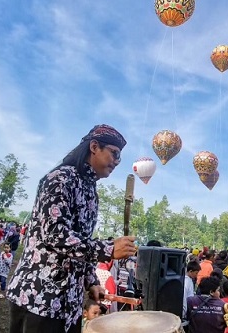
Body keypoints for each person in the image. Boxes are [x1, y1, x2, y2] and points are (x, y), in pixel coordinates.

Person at [7, 124, 137, 333]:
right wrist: (108, 249)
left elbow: (81, 240)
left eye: (119, 157)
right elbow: (56, 234)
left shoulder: (91, 191)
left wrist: (91, 280)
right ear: (94, 147)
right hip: (39, 296)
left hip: (70, 301)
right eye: (114, 154)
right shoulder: (60, 178)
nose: (116, 162)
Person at [183, 260, 201, 330]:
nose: (197, 275)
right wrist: (184, 313)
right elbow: (184, 298)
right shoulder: (186, 282)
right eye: (196, 273)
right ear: (190, 271)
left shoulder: (190, 280)